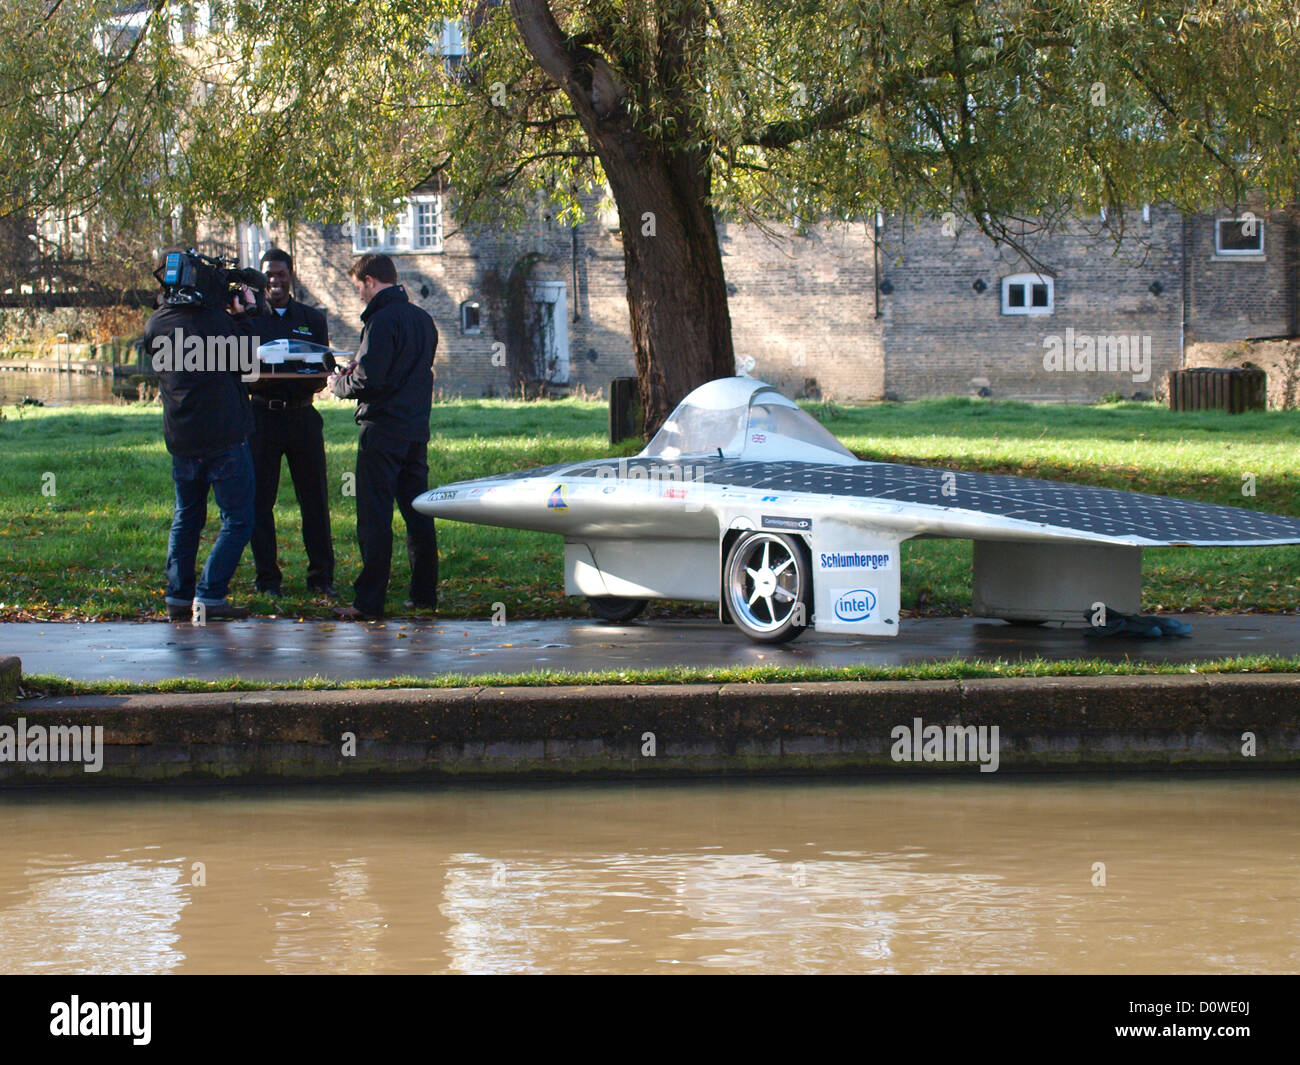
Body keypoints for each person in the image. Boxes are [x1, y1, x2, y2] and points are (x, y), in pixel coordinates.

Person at [145, 250, 260, 621]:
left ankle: (178, 596)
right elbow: (247, 367)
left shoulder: (156, 324)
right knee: (239, 519)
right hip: (224, 436)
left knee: (187, 516)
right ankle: (210, 596)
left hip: (181, 437)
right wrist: (246, 317)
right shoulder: (216, 322)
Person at [328, 253, 438, 619]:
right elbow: (409, 372)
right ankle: (424, 594)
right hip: (415, 429)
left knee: (374, 517)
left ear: (371, 280)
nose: (359, 295)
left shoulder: (380, 321)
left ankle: (368, 601)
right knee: (418, 512)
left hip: (382, 430)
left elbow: (369, 380)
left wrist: (339, 384)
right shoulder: (424, 320)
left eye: (358, 287)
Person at [247, 247, 337, 598]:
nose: (274, 280)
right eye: (268, 274)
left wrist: (303, 376)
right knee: (259, 503)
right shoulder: (251, 319)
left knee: (314, 500)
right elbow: (240, 370)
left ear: (291, 275)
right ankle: (268, 580)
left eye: (281, 274)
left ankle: (321, 579)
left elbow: (322, 368)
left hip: (302, 415)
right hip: (261, 417)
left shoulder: (312, 318)